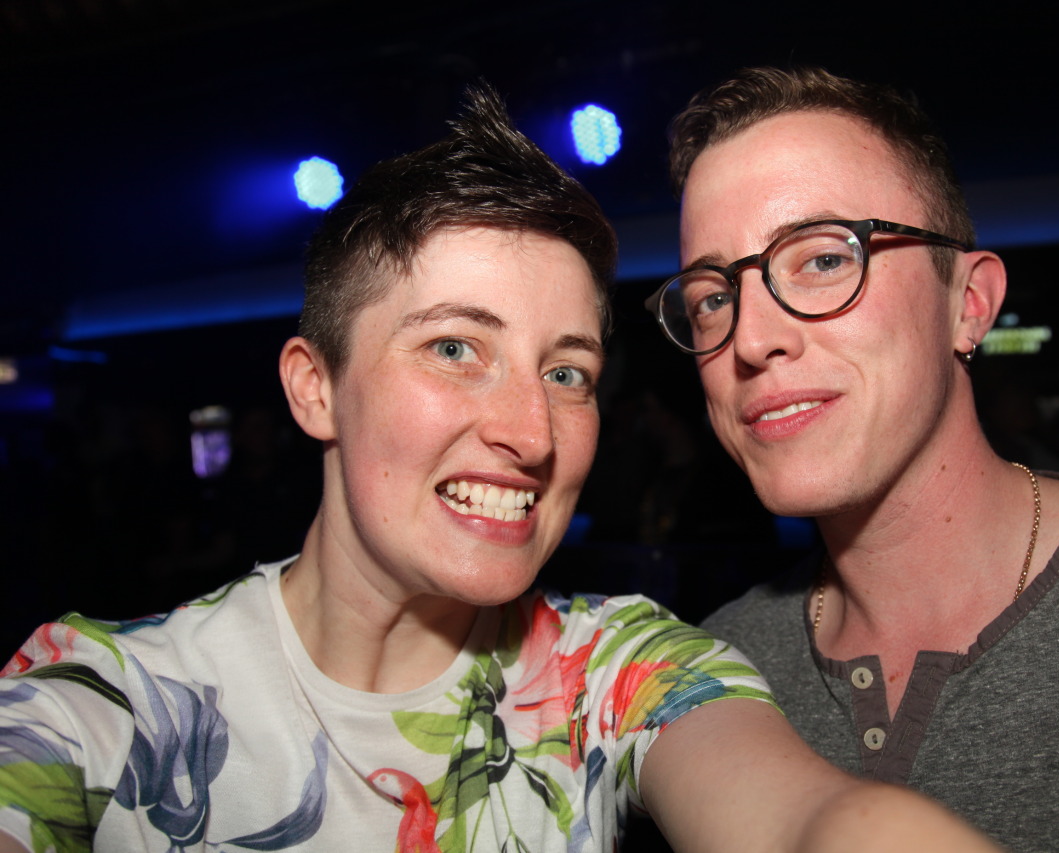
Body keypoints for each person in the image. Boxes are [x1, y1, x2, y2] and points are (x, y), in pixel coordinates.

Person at [0, 85, 1000, 853]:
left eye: (566, 370)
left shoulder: (618, 670)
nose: (531, 429)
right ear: (314, 390)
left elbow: (805, 822)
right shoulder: (105, 702)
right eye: (452, 348)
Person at [647, 66, 1059, 851]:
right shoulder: (708, 675)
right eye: (713, 295)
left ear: (968, 303)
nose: (749, 336)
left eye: (823, 259)